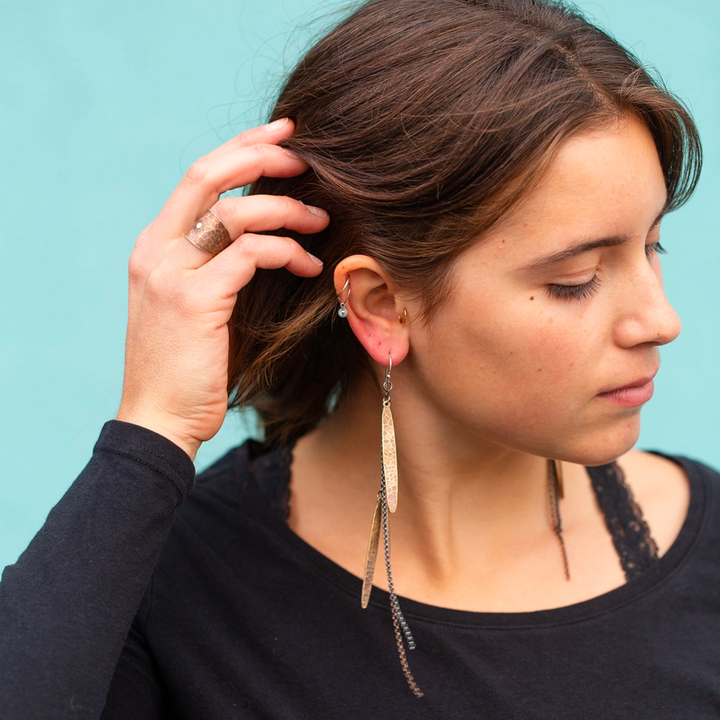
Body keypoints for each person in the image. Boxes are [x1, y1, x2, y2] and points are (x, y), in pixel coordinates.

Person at [1, 0, 716, 717]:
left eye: (652, 245)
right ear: (379, 304)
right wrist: (151, 429)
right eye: (576, 279)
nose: (661, 320)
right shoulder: (166, 585)